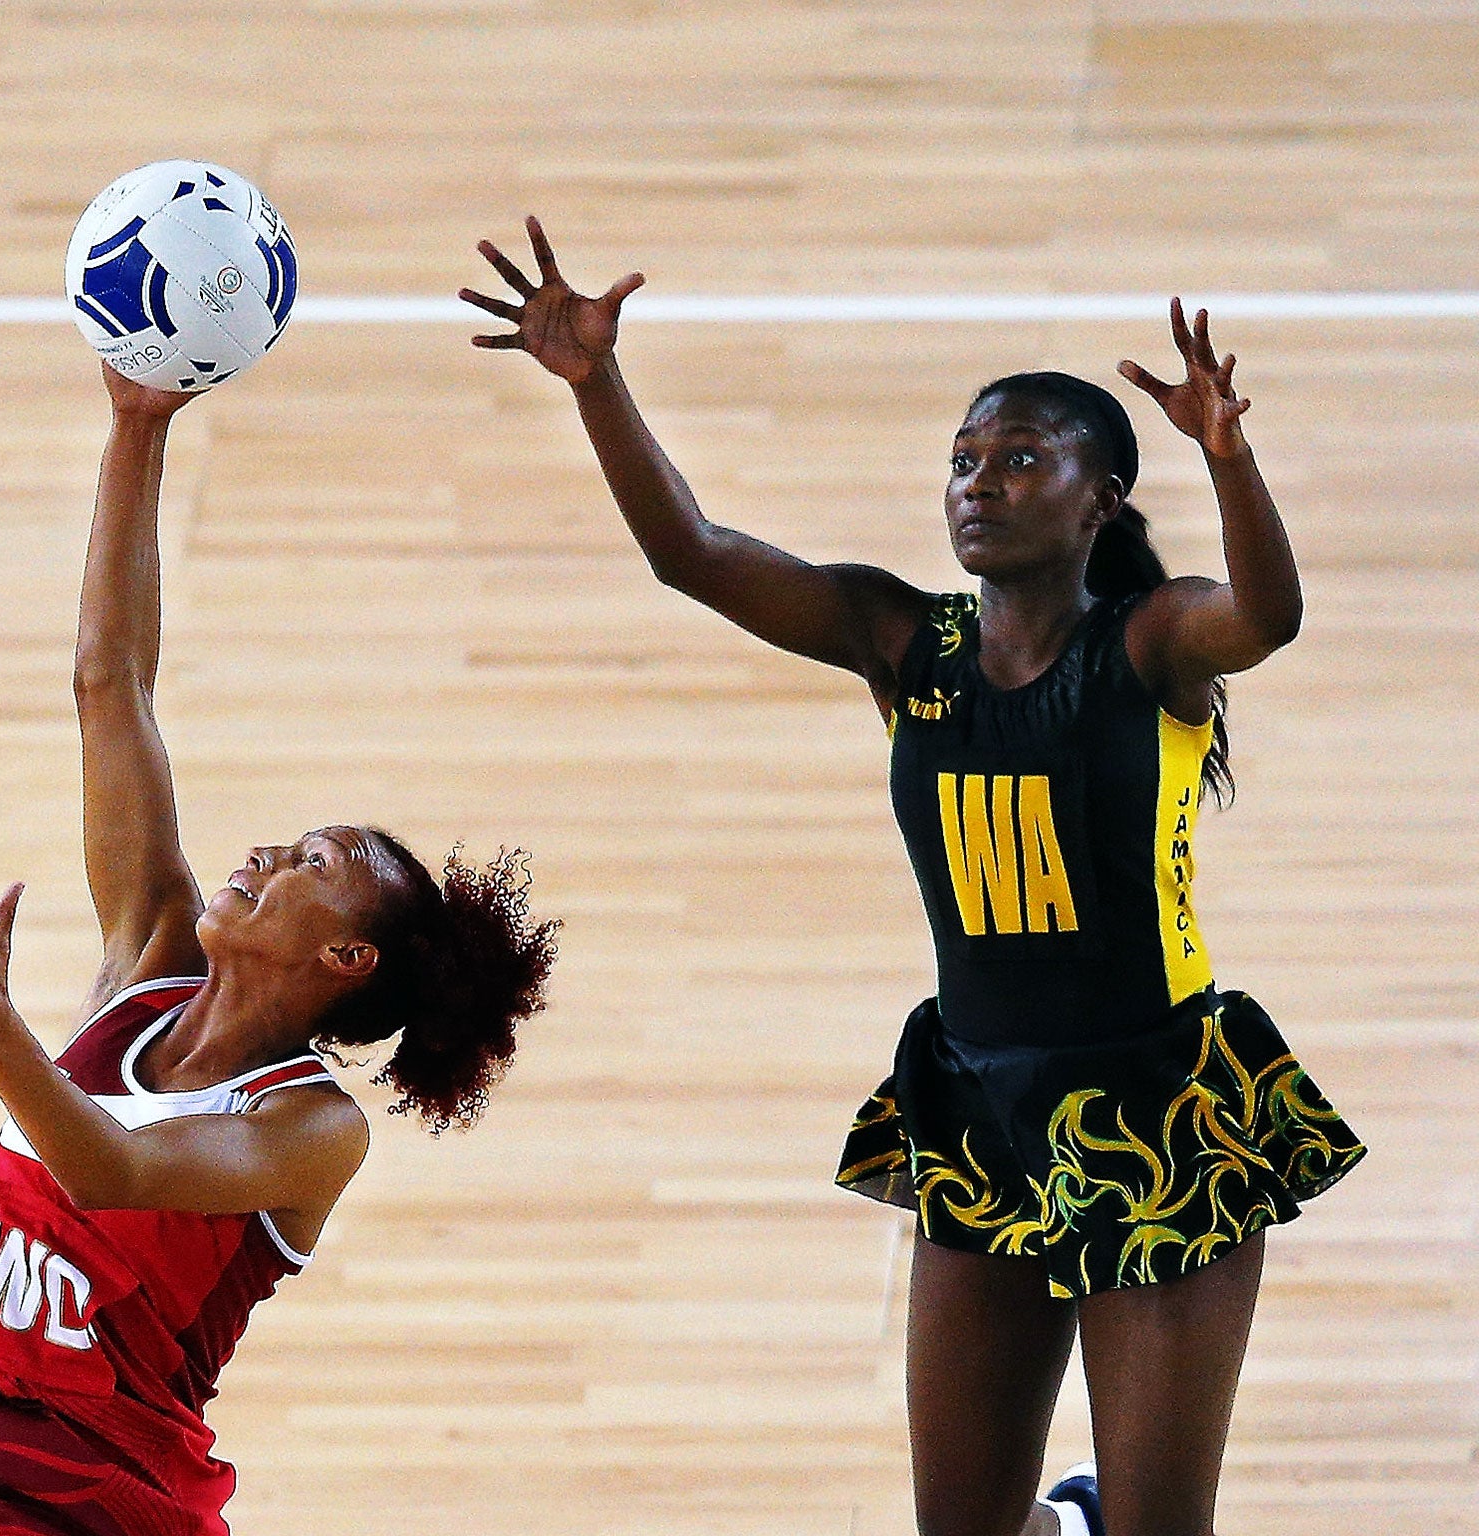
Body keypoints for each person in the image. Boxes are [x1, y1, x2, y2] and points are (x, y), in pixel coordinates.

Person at [462, 218, 1364, 1536]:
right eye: (962, 461)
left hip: (1160, 1105)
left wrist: (1232, 459)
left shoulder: (1152, 641)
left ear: (1100, 496)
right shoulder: (904, 641)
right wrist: (597, 383)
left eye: (1019, 459)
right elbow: (693, 556)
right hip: (979, 1104)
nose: (978, 482)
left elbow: (1268, 617)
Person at [0, 361, 559, 1536]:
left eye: (311, 869)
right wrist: (136, 424)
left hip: (106, 1503)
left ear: (348, 961)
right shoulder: (148, 957)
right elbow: (107, 683)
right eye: (286, 844)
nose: (265, 857)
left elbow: (111, 1176)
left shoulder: (309, 1131)